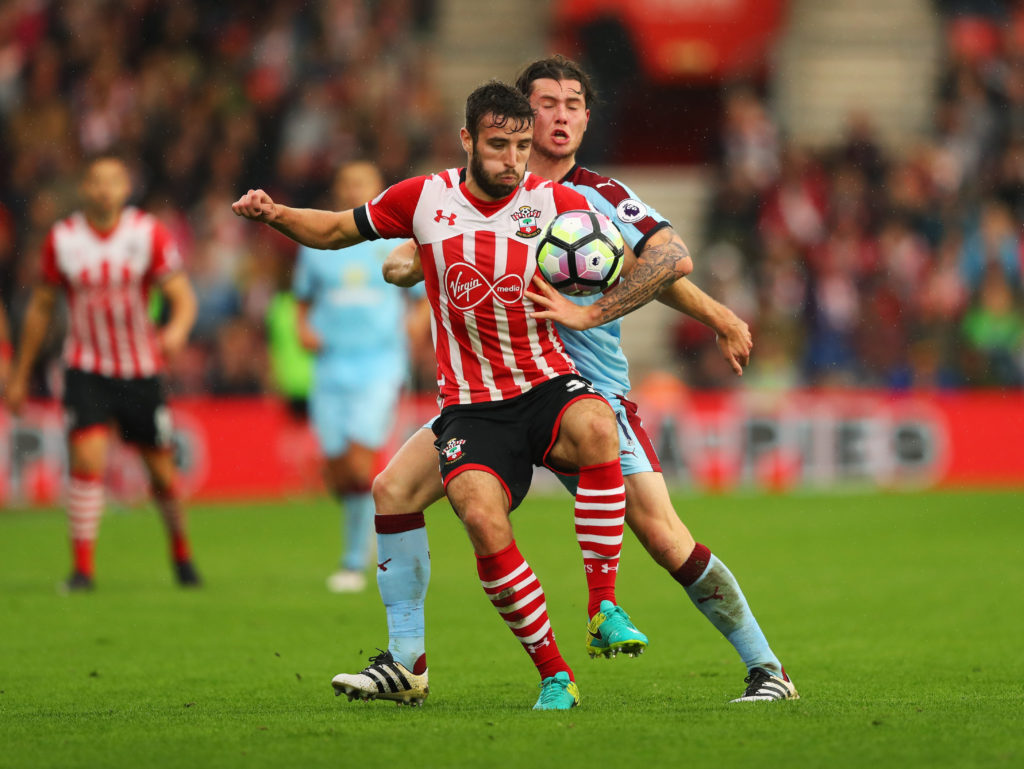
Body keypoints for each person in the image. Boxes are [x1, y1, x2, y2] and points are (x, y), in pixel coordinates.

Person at [356, 55, 798, 705]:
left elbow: (666, 261)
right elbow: (420, 244)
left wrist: (717, 316)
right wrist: (412, 258)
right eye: (546, 104)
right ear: (518, 113)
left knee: (663, 535)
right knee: (393, 488)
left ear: (587, 119)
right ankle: (404, 663)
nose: (560, 117)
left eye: (573, 105)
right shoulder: (475, 189)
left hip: (585, 394)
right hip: (491, 398)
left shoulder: (600, 197)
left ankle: (768, 669)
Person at [232, 81, 653, 710]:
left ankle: (604, 608)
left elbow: (626, 262)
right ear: (467, 140)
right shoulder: (424, 198)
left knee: (598, 424)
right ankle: (550, 675)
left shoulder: (554, 202)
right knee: (464, 511)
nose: (513, 160)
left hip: (544, 382)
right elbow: (337, 230)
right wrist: (277, 214)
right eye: (499, 145)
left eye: (521, 146)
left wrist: (591, 306)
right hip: (472, 407)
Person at [5, 151, 202, 592]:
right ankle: (82, 570)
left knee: (161, 473)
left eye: (113, 181)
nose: (104, 189)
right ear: (84, 188)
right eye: (96, 181)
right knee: (86, 459)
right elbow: (41, 307)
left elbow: (183, 295)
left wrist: (176, 330)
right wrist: (20, 372)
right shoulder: (63, 239)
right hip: (86, 367)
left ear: (125, 188)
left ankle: (181, 552)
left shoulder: (147, 233)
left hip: (140, 369)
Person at [292, 160, 428, 593]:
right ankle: (358, 524)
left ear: (377, 189)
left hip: (380, 363)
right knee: (336, 471)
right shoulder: (318, 242)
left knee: (358, 463)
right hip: (331, 364)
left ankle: (354, 558)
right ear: (337, 189)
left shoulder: (395, 241)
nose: (354, 189)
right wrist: (302, 329)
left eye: (362, 183)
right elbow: (301, 299)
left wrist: (417, 323)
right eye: (347, 182)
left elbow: (426, 293)